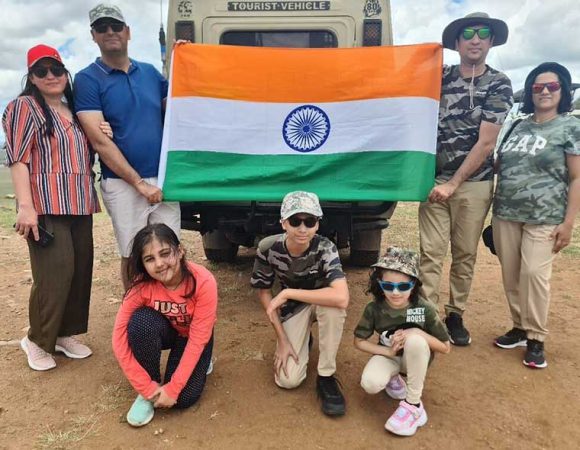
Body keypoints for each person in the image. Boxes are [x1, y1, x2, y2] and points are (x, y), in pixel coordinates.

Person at [2, 45, 104, 371]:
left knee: (79, 272)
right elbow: (18, 159)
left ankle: (63, 334)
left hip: (79, 203)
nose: (50, 76)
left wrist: (104, 130)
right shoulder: (25, 107)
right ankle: (36, 339)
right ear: (31, 77)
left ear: (65, 74)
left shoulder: (73, 112)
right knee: (54, 275)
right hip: (46, 204)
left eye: (56, 69)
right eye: (41, 71)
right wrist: (25, 206)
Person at [418, 12, 513, 345]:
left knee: (464, 254)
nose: (475, 39)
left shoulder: (499, 83)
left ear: (491, 41)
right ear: (457, 43)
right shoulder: (438, 76)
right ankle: (426, 317)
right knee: (430, 253)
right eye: (468, 33)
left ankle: (455, 315)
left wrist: (453, 183)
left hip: (473, 184)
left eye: (483, 33)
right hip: (433, 182)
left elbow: (486, 143)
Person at [74, 3, 180, 290]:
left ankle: (169, 307)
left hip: (163, 178)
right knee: (133, 253)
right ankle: (137, 309)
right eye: (102, 28)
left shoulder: (150, 73)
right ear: (93, 36)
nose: (110, 32)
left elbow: (176, 109)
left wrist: (184, 62)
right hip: (122, 183)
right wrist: (138, 184)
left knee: (170, 249)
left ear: (128, 32)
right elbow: (99, 141)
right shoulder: (87, 79)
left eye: (116, 26)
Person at [492, 62, 580, 369]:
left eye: (552, 86)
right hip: (506, 212)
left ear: (563, 91)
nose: (544, 91)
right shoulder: (517, 125)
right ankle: (519, 326)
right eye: (538, 87)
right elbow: (499, 164)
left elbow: (576, 177)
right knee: (511, 274)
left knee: (534, 275)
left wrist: (568, 223)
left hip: (545, 215)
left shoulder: (570, 127)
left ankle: (536, 337)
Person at [250, 191, 349, 416]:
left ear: (317, 224)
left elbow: (342, 297)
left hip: (322, 302)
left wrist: (288, 293)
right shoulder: (268, 248)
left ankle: (326, 377)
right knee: (288, 380)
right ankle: (303, 338)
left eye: (310, 221)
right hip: (294, 308)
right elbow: (264, 293)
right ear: (283, 223)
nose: (303, 228)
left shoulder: (326, 247)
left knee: (334, 308)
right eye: (295, 221)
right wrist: (282, 340)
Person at [112, 223, 217, 427]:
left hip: (193, 336)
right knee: (140, 322)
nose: (159, 264)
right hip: (167, 331)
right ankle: (149, 388)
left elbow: (198, 339)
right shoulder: (141, 286)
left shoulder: (203, 281)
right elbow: (119, 339)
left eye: (165, 253)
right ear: (143, 264)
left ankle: (204, 360)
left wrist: (174, 389)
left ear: (180, 251)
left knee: (184, 398)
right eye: (150, 259)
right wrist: (146, 387)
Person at [354, 247, 450, 436]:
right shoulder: (374, 308)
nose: (395, 292)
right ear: (379, 283)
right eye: (388, 286)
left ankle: (414, 405)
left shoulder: (424, 308)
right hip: (390, 355)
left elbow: (445, 347)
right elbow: (359, 341)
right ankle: (393, 378)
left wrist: (417, 332)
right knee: (370, 383)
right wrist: (388, 352)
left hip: (415, 358)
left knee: (415, 340)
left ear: (413, 285)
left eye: (403, 286)